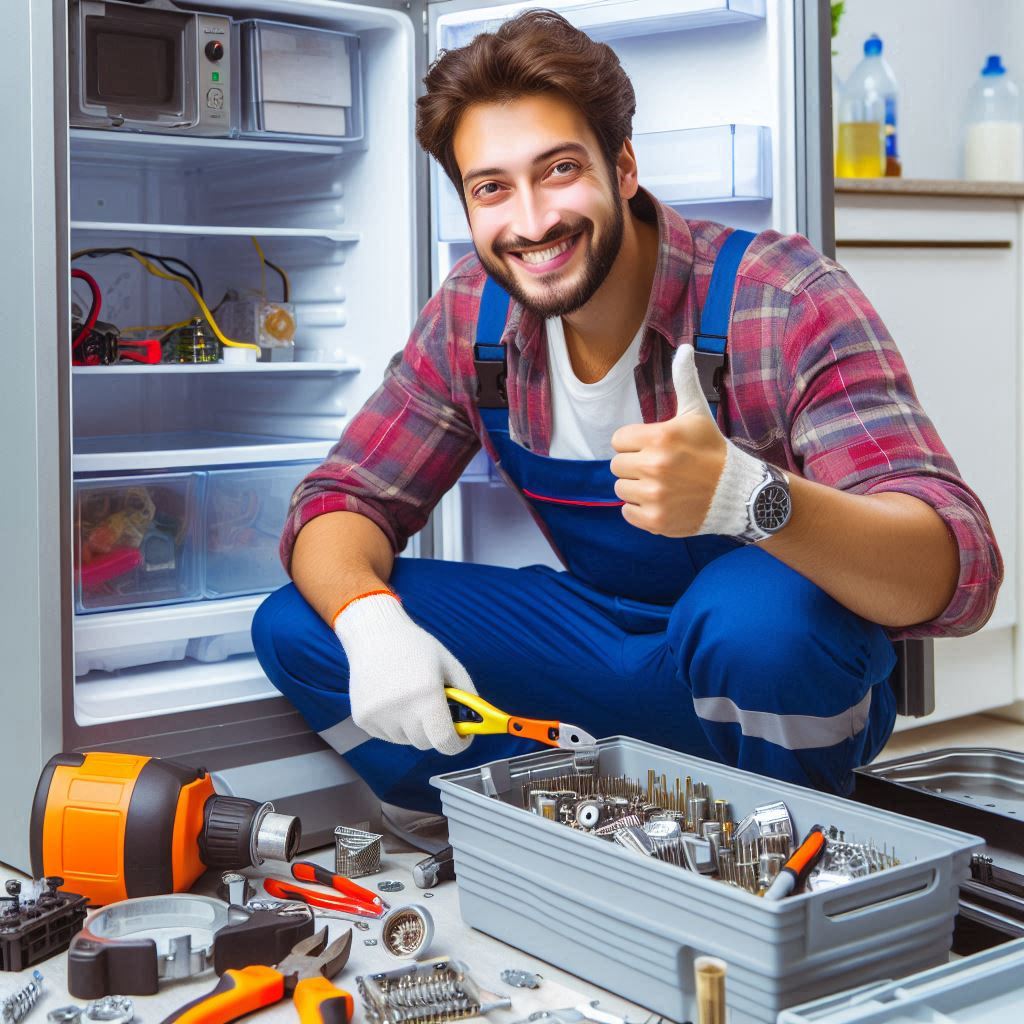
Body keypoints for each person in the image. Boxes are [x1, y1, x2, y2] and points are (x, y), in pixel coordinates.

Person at [252, 10, 1001, 811]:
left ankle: (779, 840)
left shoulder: (782, 299)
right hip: (607, 645)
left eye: (561, 169)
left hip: (766, 665)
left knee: (755, 619)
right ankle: (555, 822)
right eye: (493, 188)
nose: (533, 221)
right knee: (300, 624)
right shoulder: (473, 316)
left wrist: (755, 500)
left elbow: (957, 570)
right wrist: (370, 624)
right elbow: (341, 499)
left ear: (625, 166)